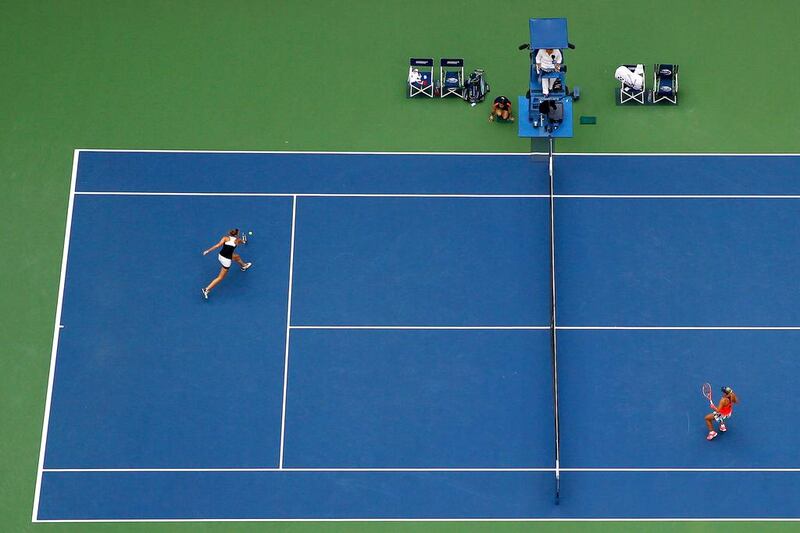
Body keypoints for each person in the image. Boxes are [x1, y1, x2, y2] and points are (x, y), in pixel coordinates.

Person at [201, 228, 252, 299]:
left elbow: (217, 246)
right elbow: (243, 241)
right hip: (226, 261)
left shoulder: (225, 238)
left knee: (236, 256)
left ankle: (244, 265)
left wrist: (207, 251)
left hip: (220, 256)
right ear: (237, 234)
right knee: (220, 277)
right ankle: (206, 289)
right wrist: (244, 240)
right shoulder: (237, 240)